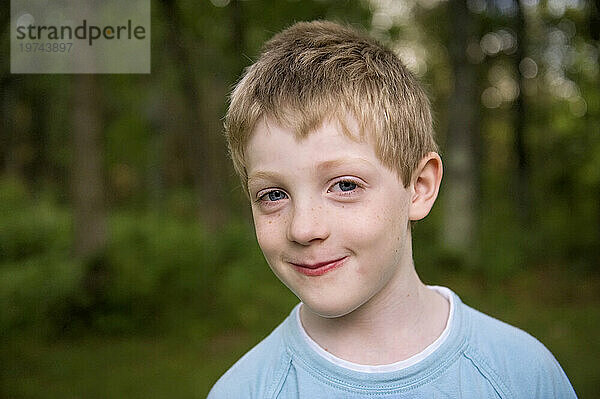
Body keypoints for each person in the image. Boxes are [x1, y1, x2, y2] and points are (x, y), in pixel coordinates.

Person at [208, 20, 577, 398]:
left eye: (345, 185)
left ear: (419, 187)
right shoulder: (244, 390)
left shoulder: (522, 375)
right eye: (273, 195)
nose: (303, 229)